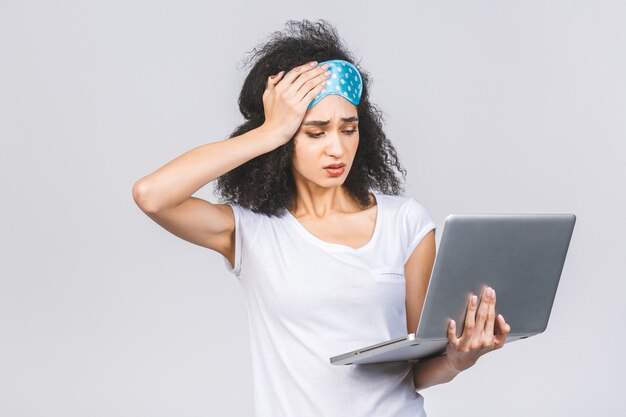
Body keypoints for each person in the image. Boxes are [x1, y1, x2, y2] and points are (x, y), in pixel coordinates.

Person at [132, 19, 511, 417]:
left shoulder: (406, 223)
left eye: (348, 129)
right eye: (315, 133)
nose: (337, 148)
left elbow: (418, 366)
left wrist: (459, 357)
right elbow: (152, 196)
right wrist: (268, 132)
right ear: (285, 140)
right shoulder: (252, 231)